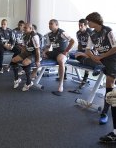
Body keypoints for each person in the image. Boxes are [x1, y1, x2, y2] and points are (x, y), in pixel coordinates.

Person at [83, 12, 116, 143]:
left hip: (113, 59)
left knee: (110, 86)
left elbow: (115, 48)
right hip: (104, 61)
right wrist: (94, 58)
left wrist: (100, 57)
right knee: (110, 90)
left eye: (89, 21)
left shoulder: (108, 31)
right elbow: (87, 50)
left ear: (95, 21)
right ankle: (105, 112)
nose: (88, 24)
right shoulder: (92, 34)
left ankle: (105, 112)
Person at [42, 19, 75, 96]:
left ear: (57, 25)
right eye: (49, 24)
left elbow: (73, 41)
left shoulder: (62, 33)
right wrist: (44, 52)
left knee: (60, 60)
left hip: (62, 53)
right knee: (40, 55)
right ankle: (33, 75)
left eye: (51, 24)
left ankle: (61, 84)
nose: (49, 25)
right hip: (54, 52)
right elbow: (48, 46)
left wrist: (66, 51)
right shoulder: (49, 35)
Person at [10, 23, 41, 90]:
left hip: (34, 54)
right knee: (13, 60)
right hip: (27, 52)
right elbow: (24, 47)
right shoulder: (24, 35)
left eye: (25, 28)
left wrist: (37, 61)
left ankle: (28, 82)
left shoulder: (34, 36)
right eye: (24, 27)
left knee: (25, 63)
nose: (24, 29)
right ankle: (17, 79)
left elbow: (37, 50)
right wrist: (21, 56)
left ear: (30, 28)